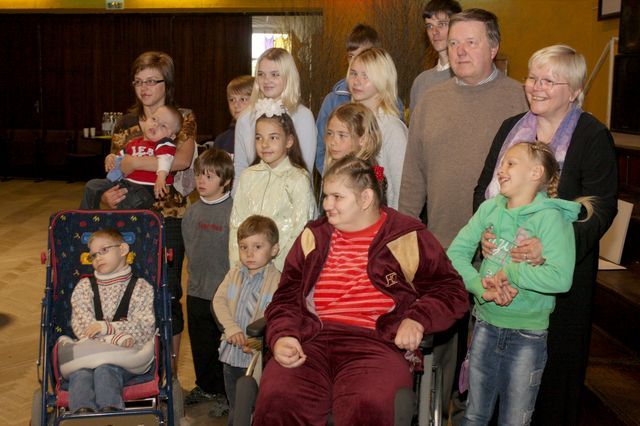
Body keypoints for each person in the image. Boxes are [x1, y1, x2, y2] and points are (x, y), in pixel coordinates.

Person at [252, 155, 468, 425]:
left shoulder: (406, 236)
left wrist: (417, 318)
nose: (326, 204)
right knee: (278, 398)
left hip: (377, 344)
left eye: (337, 197)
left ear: (366, 198)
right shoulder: (313, 236)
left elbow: (451, 290)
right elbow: (285, 296)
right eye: (326, 196)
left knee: (368, 404)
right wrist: (283, 334)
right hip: (312, 339)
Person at [473, 45, 618, 426]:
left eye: (549, 81)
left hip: (559, 287)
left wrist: (552, 246)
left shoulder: (592, 136)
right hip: (501, 277)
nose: (536, 87)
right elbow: (484, 187)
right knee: (495, 385)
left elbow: (602, 207)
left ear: (575, 91)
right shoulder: (511, 129)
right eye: (533, 78)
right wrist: (485, 232)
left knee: (549, 386)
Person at [399, 9, 528, 422]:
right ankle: (440, 414)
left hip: (502, 251)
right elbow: (413, 175)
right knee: (441, 350)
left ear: (494, 46)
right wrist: (402, 235)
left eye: (471, 42)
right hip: (443, 246)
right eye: (454, 43)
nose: (460, 51)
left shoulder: (521, 98)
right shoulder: (431, 100)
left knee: (494, 354)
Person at [447, 142, 594, 425]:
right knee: (474, 415)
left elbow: (560, 278)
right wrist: (480, 287)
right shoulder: (489, 209)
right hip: (485, 326)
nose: (501, 170)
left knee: (514, 420)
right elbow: (455, 255)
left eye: (511, 163)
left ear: (536, 173)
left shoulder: (551, 219)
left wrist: (512, 273)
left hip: (527, 335)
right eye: (502, 163)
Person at [100, 51, 197, 371]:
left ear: (166, 83)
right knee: (125, 294)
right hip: (127, 218)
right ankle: (133, 369)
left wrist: (136, 162)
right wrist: (107, 197)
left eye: (152, 81)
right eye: (138, 81)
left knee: (168, 295)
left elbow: (181, 161)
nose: (144, 88)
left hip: (168, 218)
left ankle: (169, 374)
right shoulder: (126, 123)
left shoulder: (183, 117)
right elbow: (115, 169)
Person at [68, 228, 155, 413]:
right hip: (90, 354)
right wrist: (113, 337)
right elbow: (83, 327)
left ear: (122, 249)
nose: (98, 258)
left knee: (105, 369)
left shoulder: (141, 287)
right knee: (80, 373)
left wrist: (107, 327)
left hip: (126, 357)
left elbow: (145, 328)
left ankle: (110, 413)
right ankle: (81, 415)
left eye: (104, 250)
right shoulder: (84, 287)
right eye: (93, 255)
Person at [229, 98, 316, 272]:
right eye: (259, 138)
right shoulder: (248, 176)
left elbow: (301, 230)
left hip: (282, 271)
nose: (265, 144)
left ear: (289, 141)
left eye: (273, 137)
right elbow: (236, 225)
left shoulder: (298, 179)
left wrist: (276, 271)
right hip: (247, 268)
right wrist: (237, 268)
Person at [212, 215, 281, 425]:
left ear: (274, 249)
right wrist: (231, 328)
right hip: (231, 354)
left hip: (256, 359)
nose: (249, 253)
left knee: (255, 407)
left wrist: (254, 343)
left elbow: (274, 319)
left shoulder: (278, 281)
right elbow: (219, 301)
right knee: (236, 406)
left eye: (257, 247)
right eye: (244, 247)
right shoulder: (234, 274)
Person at [181, 148, 234, 412]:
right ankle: (205, 385)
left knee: (223, 345)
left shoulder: (232, 212)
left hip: (222, 292)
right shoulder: (191, 212)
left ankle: (225, 392)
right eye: (199, 175)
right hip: (196, 289)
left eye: (209, 176)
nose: (201, 181)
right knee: (200, 342)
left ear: (226, 181)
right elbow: (190, 249)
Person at [233, 47, 316, 191]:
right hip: (252, 196)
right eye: (261, 74)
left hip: (292, 196)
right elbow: (240, 169)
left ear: (288, 76)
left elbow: (304, 169)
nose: (267, 80)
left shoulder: (303, 116)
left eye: (275, 74)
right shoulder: (245, 118)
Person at [80, 105, 182, 210]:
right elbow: (120, 158)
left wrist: (161, 178)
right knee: (92, 185)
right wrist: (111, 158)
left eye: (163, 126)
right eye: (154, 119)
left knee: (127, 202)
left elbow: (165, 159)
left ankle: (125, 219)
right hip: (125, 184)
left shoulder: (164, 144)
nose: (156, 124)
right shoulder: (133, 143)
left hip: (145, 190)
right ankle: (86, 215)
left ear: (171, 136)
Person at [315, 23, 381, 175]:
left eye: (363, 56)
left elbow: (386, 166)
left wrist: (375, 184)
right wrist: (332, 178)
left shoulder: (389, 111)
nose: (355, 62)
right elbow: (321, 148)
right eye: (351, 56)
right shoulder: (333, 100)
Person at [347, 47, 407, 209]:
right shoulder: (349, 123)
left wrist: (393, 223)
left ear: (382, 80)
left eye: (365, 75)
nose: (357, 81)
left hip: (384, 217)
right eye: (353, 73)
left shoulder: (392, 129)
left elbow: (401, 188)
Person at [409, 0, 462, 113]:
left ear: (457, 26)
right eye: (429, 26)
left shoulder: (466, 77)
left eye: (441, 24)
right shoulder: (421, 81)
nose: (434, 32)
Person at [213, 75, 254, 156]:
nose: (236, 105)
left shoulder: (264, 138)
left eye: (243, 99)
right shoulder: (222, 140)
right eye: (232, 100)